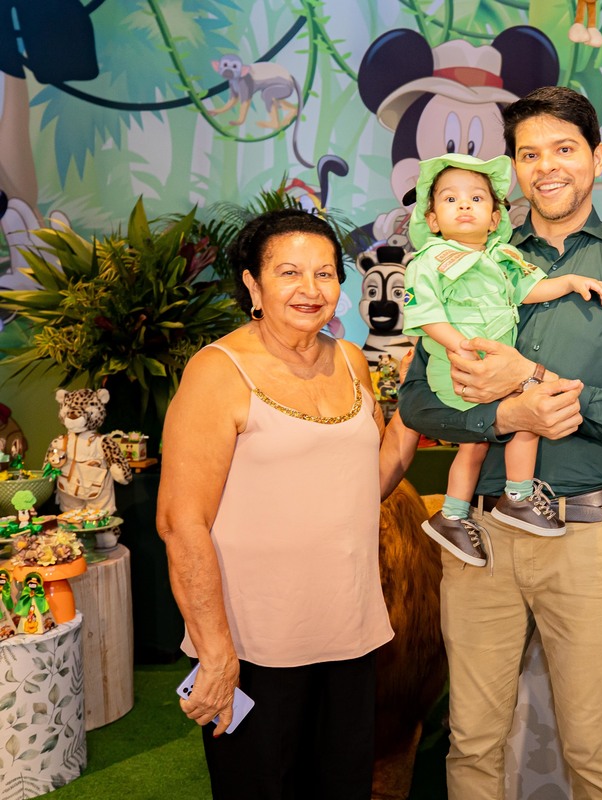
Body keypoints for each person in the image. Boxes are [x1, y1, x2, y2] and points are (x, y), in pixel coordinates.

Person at [398, 86, 602, 799]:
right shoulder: (469, 258)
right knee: (472, 742)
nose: (547, 167)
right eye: (529, 154)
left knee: (596, 750)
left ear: (597, 158)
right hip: (479, 536)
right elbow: (419, 403)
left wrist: (536, 382)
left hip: (587, 534)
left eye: (564, 149)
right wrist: (503, 418)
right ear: (513, 170)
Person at [157, 209, 395, 799]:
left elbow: (365, 485)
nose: (310, 289)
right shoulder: (219, 371)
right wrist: (215, 652)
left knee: (343, 788)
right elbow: (181, 522)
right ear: (253, 284)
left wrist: (421, 410)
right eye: (289, 272)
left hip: (350, 633)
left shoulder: (352, 360)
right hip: (253, 646)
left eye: (324, 273)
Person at [396, 151, 602, 565]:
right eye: (450, 199)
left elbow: (530, 290)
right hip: (460, 369)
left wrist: (569, 281)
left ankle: (454, 514)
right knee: (526, 419)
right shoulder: (429, 261)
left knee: (477, 444)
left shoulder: (501, 259)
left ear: (495, 219)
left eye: (476, 199)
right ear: (433, 219)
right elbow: (425, 314)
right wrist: (459, 346)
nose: (464, 205)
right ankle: (518, 496)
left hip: (491, 367)